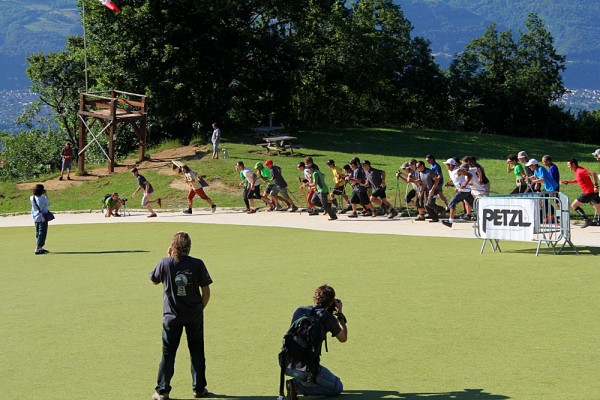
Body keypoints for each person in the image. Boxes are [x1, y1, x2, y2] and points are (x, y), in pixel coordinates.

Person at [149, 232, 213, 400]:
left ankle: (163, 391)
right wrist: (200, 308)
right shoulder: (197, 264)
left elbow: (154, 280)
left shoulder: (165, 263)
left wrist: (166, 256)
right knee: (197, 352)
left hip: (171, 317)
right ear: (189, 248)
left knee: (168, 354)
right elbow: (206, 291)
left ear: (173, 247)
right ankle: (199, 389)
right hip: (194, 316)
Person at [282, 284, 348, 399]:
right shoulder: (328, 318)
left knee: (311, 376)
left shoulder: (299, 310)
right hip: (307, 369)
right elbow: (343, 338)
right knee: (337, 387)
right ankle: (297, 386)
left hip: (285, 363)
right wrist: (340, 314)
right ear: (331, 301)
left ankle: (302, 381)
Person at [560, 158, 600, 228]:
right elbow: (578, 180)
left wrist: (596, 185)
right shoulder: (578, 171)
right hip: (593, 193)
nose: (568, 167)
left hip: (588, 192)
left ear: (573, 164)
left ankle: (587, 220)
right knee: (599, 209)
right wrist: (567, 182)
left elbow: (593, 173)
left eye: (569, 165)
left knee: (574, 205)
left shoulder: (580, 171)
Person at [441, 159, 474, 228]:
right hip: (465, 191)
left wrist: (465, 184)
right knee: (475, 206)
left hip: (464, 191)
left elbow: (470, 175)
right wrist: (449, 183)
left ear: (450, 165)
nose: (446, 166)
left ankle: (450, 222)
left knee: (452, 203)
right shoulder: (450, 171)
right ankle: (483, 218)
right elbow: (454, 179)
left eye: (446, 164)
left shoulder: (458, 170)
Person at [30, 183, 51, 255]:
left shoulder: (32, 198)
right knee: (42, 233)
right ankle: (37, 248)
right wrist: (46, 195)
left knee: (38, 233)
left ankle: (40, 248)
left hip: (35, 217)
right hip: (43, 218)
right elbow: (48, 203)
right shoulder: (43, 199)